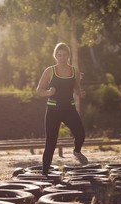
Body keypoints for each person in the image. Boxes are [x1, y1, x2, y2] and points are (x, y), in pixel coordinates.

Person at [36, 42, 88, 176]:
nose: (62, 58)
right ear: (55, 56)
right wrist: (48, 92)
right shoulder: (50, 70)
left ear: (68, 56)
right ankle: (45, 175)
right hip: (53, 110)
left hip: (69, 109)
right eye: (59, 55)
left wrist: (80, 92)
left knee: (81, 133)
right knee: (50, 144)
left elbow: (76, 87)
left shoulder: (74, 71)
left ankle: (77, 151)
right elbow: (39, 90)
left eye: (65, 55)